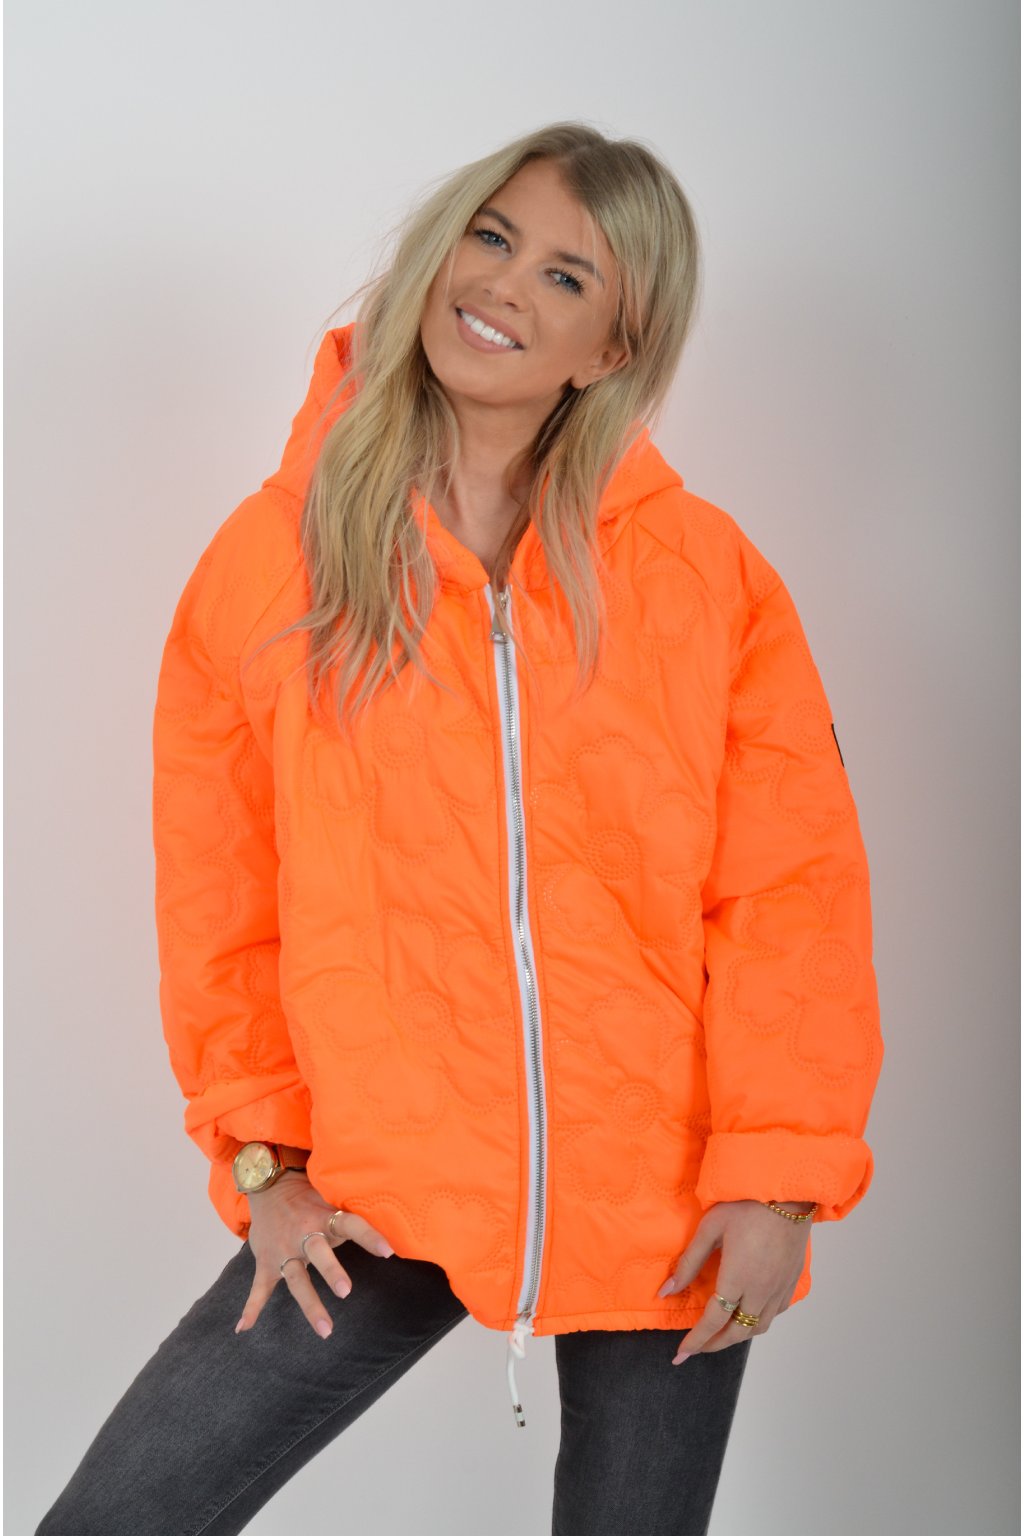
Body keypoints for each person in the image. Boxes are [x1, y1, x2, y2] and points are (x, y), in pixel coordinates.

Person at [36, 120, 883, 1535]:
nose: (502, 285)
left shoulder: (704, 577)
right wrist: (264, 1164)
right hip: (384, 1182)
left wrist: (780, 1178)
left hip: (668, 1193)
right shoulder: (275, 562)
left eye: (566, 276)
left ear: (611, 349)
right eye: (492, 237)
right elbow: (223, 892)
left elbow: (790, 893)